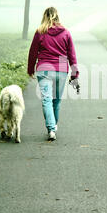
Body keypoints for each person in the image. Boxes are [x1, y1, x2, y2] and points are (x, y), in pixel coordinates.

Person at [27, 7, 79, 141]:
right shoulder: (66, 33)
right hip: (61, 70)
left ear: (45, 16)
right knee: (56, 100)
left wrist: (30, 69)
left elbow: (33, 52)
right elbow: (71, 55)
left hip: (44, 69)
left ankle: (51, 129)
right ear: (57, 16)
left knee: (46, 100)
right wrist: (74, 74)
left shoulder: (40, 32)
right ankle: (53, 127)